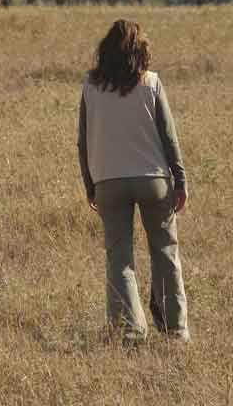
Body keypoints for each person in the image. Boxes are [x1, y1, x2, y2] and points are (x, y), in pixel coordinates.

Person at [78, 19, 189, 344]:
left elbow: (82, 141)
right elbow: (169, 137)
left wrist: (90, 184)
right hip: (153, 178)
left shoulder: (90, 85)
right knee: (165, 253)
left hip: (108, 180)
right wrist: (180, 179)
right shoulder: (151, 82)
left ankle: (129, 331)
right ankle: (176, 331)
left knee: (119, 257)